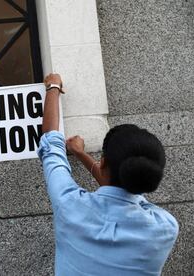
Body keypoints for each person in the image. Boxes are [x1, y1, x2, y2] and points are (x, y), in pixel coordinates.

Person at [38, 73, 179, 275]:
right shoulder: (165, 227)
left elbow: (51, 143)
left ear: (103, 162)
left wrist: (53, 86)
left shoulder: (69, 205)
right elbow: (124, 184)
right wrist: (81, 154)